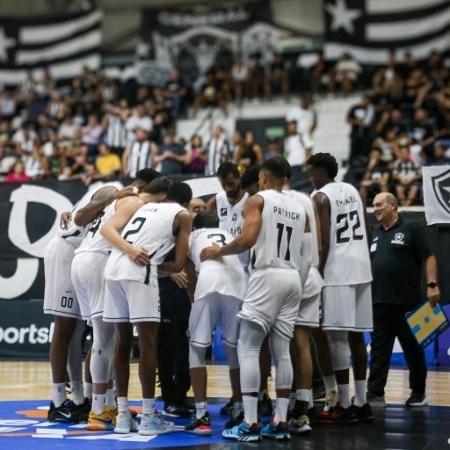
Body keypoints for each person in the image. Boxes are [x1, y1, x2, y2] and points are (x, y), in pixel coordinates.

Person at [202, 157, 312, 442]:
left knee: (247, 347)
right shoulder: (300, 208)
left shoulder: (257, 200)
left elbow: (247, 240)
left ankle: (250, 422)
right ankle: (280, 421)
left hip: (267, 275)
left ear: (263, 177)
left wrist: (218, 251)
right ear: (286, 178)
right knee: (282, 351)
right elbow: (305, 253)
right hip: (293, 278)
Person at [71, 169, 160, 431]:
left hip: (80, 259)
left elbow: (78, 218)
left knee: (101, 336)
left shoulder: (112, 193)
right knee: (104, 338)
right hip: (99, 260)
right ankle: (98, 408)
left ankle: (106, 402)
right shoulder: (134, 200)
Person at [101, 180, 192, 435]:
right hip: (139, 270)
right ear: (182, 202)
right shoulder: (183, 216)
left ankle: (121, 416)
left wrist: (129, 250)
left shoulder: (140, 206)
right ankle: (149, 417)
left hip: (113, 269)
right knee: (148, 343)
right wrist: (156, 265)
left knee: (121, 342)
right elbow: (178, 264)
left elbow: (107, 229)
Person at [44, 182, 131, 423]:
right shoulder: (113, 189)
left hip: (87, 257)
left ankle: (90, 398)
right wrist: (112, 196)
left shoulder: (129, 201)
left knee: (91, 331)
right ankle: (59, 400)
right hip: (66, 252)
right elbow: (81, 215)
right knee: (66, 328)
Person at [308, 152, 374, 423]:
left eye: (311, 172)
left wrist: (317, 273)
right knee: (357, 337)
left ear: (321, 172)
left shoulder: (320, 197)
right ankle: (363, 402)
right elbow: (366, 229)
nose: (310, 177)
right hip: (361, 266)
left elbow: (322, 243)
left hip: (337, 270)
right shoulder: (352, 190)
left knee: (336, 338)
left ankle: (344, 405)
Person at [367, 193, 440, 407]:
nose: (376, 209)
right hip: (379, 301)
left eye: (379, 205)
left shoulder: (412, 228)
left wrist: (432, 284)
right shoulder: (376, 234)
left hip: (406, 302)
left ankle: (418, 392)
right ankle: (375, 393)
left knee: (412, 349)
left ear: (393, 206)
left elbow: (429, 255)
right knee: (379, 350)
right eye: (373, 206)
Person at [183, 211, 246, 435]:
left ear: (196, 226)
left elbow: (188, 272)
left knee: (196, 348)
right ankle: (240, 410)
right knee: (234, 350)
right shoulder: (227, 234)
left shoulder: (191, 236)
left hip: (209, 282)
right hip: (238, 285)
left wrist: (193, 303)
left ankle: (201, 415)